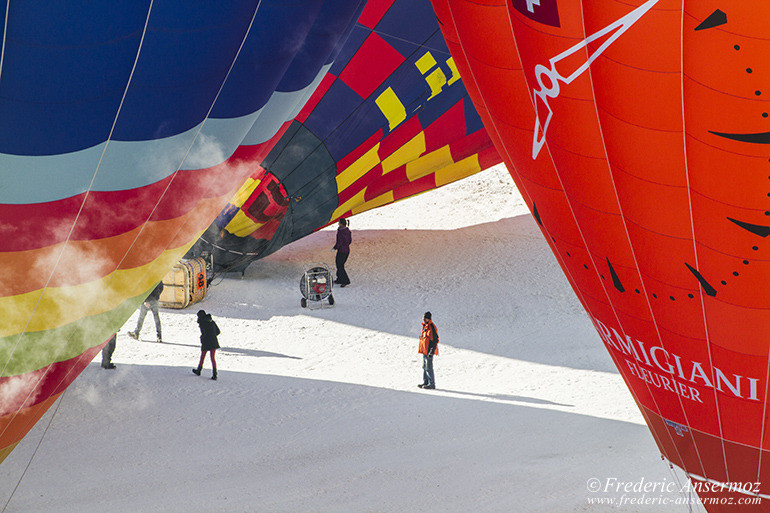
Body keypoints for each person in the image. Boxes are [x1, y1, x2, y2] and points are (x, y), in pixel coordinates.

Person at [193, 309, 220, 380]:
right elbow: (218, 331)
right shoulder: (212, 321)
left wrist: (202, 338)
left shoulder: (202, 323)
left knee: (202, 357)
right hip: (214, 342)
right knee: (212, 358)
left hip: (206, 342)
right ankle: (215, 374)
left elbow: (204, 334)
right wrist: (213, 335)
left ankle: (199, 370)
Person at [418, 311, 439, 389]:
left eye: (425, 318)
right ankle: (425, 382)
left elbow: (435, 340)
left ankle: (431, 384)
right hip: (425, 351)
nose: (424, 320)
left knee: (429, 367)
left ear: (429, 318)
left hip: (429, 351)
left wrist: (432, 351)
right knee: (424, 366)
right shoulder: (425, 326)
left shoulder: (432, 327)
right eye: (423, 318)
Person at [333, 218, 352, 287]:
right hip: (346, 250)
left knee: (340, 265)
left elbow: (339, 242)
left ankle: (345, 280)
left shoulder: (341, 232)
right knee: (340, 265)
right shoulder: (348, 231)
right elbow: (349, 241)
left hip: (341, 251)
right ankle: (339, 279)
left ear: (341, 223)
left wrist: (334, 248)